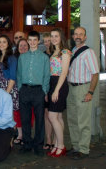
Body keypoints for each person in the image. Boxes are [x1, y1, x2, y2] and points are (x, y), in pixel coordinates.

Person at [67, 27, 99, 160]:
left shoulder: (89, 52)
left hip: (83, 89)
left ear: (85, 37)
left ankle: (84, 149)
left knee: (83, 121)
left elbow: (95, 74)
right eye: (76, 34)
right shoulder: (73, 51)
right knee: (72, 119)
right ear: (73, 37)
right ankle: (76, 146)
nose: (78, 36)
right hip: (71, 88)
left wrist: (90, 92)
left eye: (81, 34)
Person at [17, 31, 50, 156]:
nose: (32, 42)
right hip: (25, 89)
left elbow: (46, 75)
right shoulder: (22, 57)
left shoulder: (44, 57)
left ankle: (38, 145)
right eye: (30, 40)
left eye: (34, 40)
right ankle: (27, 144)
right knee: (25, 119)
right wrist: (20, 88)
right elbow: (19, 74)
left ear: (38, 41)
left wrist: (44, 91)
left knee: (39, 119)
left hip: (38, 91)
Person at [46, 28, 71, 157]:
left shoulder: (65, 52)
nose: (54, 38)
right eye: (52, 36)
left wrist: (56, 90)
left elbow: (64, 73)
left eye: (56, 36)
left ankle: (61, 145)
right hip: (52, 83)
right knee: (58, 117)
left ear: (61, 37)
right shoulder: (54, 51)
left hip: (59, 84)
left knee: (52, 116)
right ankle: (57, 144)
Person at [0, 35, 20, 145]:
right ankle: (2, 138)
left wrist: (6, 93)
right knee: (0, 114)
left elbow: (13, 77)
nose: (1, 44)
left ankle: (10, 139)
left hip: (8, 88)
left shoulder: (12, 58)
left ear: (8, 44)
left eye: (4, 42)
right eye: (0, 42)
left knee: (10, 115)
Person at [42, 32, 53, 150]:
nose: (47, 43)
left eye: (49, 40)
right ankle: (49, 139)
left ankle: (55, 140)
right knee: (47, 115)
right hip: (46, 88)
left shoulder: (58, 54)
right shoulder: (43, 55)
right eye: (45, 41)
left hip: (55, 86)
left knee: (55, 115)